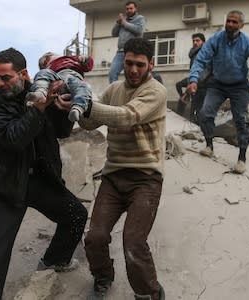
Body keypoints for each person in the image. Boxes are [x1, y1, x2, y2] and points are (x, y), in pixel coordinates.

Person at [0, 47, 88, 300]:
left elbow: (61, 132)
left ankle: (54, 260)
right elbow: (13, 139)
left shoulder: (41, 91)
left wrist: (62, 108)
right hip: (3, 186)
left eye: (6, 77)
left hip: (38, 179)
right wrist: (37, 109)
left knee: (76, 215)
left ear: (23, 74)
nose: (0, 83)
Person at [76, 37, 167, 300]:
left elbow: (127, 116)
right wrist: (73, 106)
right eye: (129, 63)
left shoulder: (156, 91)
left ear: (151, 64)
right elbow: (89, 124)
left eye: (140, 64)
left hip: (146, 179)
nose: (134, 70)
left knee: (133, 243)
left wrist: (90, 105)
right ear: (123, 61)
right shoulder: (114, 88)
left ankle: (149, 292)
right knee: (95, 238)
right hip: (114, 176)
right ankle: (103, 275)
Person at [187, 10, 249, 174]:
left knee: (241, 120)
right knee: (205, 113)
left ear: (241, 25)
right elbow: (200, 60)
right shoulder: (216, 39)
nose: (230, 24)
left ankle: (242, 158)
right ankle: (209, 146)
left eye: (234, 22)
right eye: (228, 21)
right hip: (217, 84)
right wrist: (193, 79)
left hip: (239, 86)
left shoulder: (248, 43)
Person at [26, 51, 94, 122]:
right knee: (42, 74)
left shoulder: (73, 59)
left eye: (48, 56)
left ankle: (78, 108)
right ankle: (40, 92)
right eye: (45, 61)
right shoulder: (49, 68)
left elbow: (88, 66)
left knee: (83, 87)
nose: (47, 58)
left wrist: (85, 59)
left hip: (74, 77)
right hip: (57, 77)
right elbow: (45, 78)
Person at [108, 1, 146, 83]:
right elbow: (114, 34)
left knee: (131, 75)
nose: (129, 10)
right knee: (112, 73)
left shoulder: (140, 18)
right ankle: (114, 93)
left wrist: (124, 23)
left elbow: (139, 31)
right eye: (127, 9)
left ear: (135, 9)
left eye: (131, 8)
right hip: (121, 52)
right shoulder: (122, 20)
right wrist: (118, 23)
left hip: (134, 52)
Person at [175, 33, 209, 123]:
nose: (195, 42)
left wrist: (197, 81)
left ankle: (202, 130)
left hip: (203, 84)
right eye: (193, 41)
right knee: (193, 108)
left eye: (197, 40)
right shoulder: (194, 53)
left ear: (203, 42)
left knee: (200, 110)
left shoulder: (205, 52)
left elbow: (206, 70)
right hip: (194, 82)